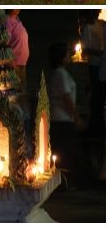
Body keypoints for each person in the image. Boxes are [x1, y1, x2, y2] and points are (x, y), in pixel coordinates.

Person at [47, 43, 85, 187]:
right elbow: (66, 98)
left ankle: (65, 183)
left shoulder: (60, 73)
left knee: (65, 153)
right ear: (61, 57)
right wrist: (76, 117)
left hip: (62, 119)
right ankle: (67, 183)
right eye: (67, 54)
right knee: (67, 153)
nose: (69, 56)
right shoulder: (60, 74)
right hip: (62, 120)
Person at [5, 10, 29, 89]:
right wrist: (9, 61)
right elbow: (5, 41)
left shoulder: (17, 19)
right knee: (15, 90)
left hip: (22, 62)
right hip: (13, 63)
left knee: (22, 89)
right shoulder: (8, 20)